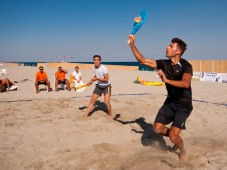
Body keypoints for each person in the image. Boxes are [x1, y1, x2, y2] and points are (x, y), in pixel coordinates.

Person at [128, 35, 193, 161]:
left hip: (184, 104)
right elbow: (142, 60)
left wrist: (166, 80)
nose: (166, 47)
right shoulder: (163, 63)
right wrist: (132, 44)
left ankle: (182, 150)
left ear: (178, 51)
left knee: (173, 137)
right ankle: (175, 136)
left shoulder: (186, 65)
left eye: (170, 46)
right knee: (156, 129)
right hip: (170, 102)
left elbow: (185, 84)